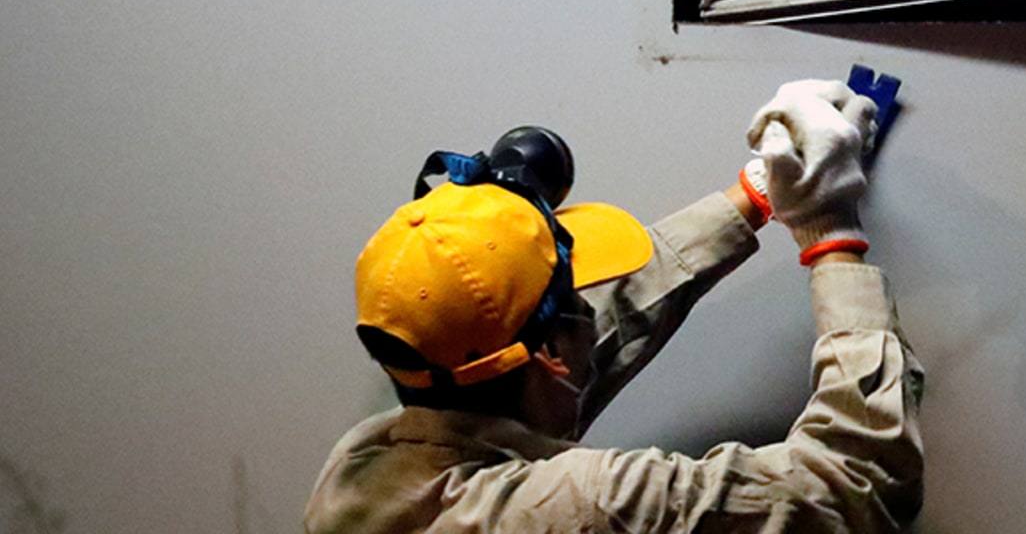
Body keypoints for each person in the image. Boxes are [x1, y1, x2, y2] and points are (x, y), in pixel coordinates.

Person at [304, 79, 924, 534]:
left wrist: (757, 195)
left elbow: (577, 351)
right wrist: (829, 232)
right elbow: (856, 484)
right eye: (578, 296)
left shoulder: (360, 472)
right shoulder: (581, 506)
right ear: (548, 353)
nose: (593, 307)